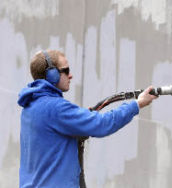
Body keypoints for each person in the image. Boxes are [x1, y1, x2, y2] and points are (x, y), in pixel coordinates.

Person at [17, 50, 157, 187]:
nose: (70, 75)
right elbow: (102, 124)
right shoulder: (55, 108)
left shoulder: (31, 106)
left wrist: (82, 118)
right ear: (52, 75)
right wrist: (136, 104)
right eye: (66, 70)